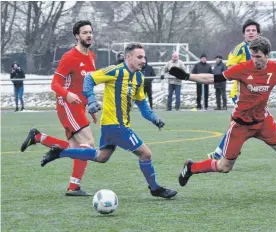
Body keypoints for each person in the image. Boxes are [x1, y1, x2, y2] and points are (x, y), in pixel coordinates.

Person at [169, 36, 276, 198]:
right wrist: (187, 76)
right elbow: (212, 78)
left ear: (267, 55)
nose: (255, 60)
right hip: (240, 124)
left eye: (258, 56)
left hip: (263, 122)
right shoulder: (243, 68)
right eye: (252, 56)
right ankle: (192, 167)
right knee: (224, 167)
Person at [40, 43, 177, 199]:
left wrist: (154, 118)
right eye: (139, 57)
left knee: (101, 157)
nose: (143, 60)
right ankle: (155, 188)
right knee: (145, 154)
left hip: (114, 126)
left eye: (144, 57)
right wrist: (91, 100)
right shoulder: (116, 71)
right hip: (115, 126)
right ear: (128, 57)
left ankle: (60, 152)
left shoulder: (139, 77)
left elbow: (142, 104)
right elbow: (89, 78)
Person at [20, 20, 97, 196]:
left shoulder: (91, 56)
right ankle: (72, 184)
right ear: (77, 36)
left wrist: (90, 106)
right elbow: (54, 84)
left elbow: (87, 84)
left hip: (79, 106)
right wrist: (67, 94)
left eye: (90, 32)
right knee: (89, 145)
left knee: (76, 147)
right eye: (85, 32)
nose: (89, 35)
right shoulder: (69, 57)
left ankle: (39, 137)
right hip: (67, 105)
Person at [207, 19, 260, 159]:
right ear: (244, 35)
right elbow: (231, 68)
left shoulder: (262, 49)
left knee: (243, 124)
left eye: (253, 30)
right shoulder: (239, 49)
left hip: (258, 94)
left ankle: (228, 149)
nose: (251, 33)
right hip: (240, 94)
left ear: (258, 33)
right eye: (248, 31)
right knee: (239, 124)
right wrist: (247, 74)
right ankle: (221, 152)